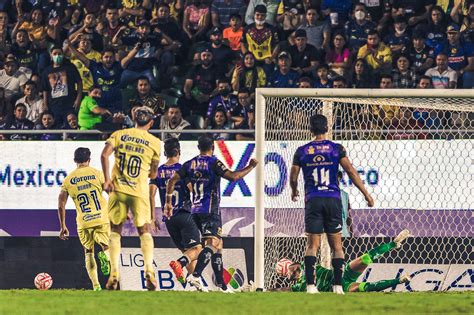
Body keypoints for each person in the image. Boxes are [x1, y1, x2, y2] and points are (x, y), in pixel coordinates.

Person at [289, 114, 374, 294]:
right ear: (327, 128)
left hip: (313, 199)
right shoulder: (336, 149)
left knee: (312, 245)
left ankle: (311, 286)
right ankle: (337, 287)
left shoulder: (302, 151)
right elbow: (350, 171)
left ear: (310, 129)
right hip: (332, 199)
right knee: (337, 245)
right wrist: (366, 193)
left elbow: (293, 176)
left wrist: (294, 190)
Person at [165, 135, 258, 292]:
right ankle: (194, 274)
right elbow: (234, 177)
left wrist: (168, 202)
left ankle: (222, 285)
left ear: (198, 147)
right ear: (213, 147)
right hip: (210, 210)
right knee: (212, 244)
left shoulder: (189, 164)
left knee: (218, 244)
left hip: (194, 211)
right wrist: (250, 166)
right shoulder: (213, 162)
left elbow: (171, 181)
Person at [101, 106, 161, 291]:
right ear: (151, 122)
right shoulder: (155, 142)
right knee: (144, 230)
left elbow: (104, 155)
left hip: (118, 189)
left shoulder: (119, 134)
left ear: (134, 118)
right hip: (139, 191)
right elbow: (153, 173)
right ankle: (149, 270)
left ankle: (114, 273)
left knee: (115, 230)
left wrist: (107, 180)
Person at [281, 229, 411, 293]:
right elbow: (283, 290)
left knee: (365, 258)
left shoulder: (306, 264)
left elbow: (311, 247)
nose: (287, 273)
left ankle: (393, 244)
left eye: (288, 269)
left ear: (292, 265)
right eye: (285, 273)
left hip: (340, 274)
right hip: (341, 287)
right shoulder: (297, 287)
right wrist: (267, 290)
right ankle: (399, 280)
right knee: (365, 287)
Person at [149, 138, 202, 284]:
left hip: (169, 220)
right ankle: (179, 264)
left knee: (188, 252)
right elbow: (192, 190)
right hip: (184, 214)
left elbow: (151, 195)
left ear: (165, 153)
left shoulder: (158, 172)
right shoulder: (182, 169)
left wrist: (153, 218)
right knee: (197, 249)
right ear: (178, 151)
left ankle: (197, 284)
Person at [58, 147, 111, 291]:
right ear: (89, 159)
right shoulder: (97, 174)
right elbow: (111, 192)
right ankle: (105, 256)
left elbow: (61, 204)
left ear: (75, 160)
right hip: (101, 218)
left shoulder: (68, 179)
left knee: (88, 251)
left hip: (83, 221)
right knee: (106, 246)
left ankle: (96, 285)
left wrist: (63, 226)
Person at [40, 45, 83, 128]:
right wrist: (45, 103)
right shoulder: (47, 71)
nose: (57, 56)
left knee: (71, 127)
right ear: (51, 55)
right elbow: (45, 89)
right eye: (55, 54)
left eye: (59, 53)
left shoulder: (70, 67)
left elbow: (79, 82)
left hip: (70, 104)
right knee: (56, 127)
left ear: (63, 55)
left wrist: (78, 99)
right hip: (54, 105)